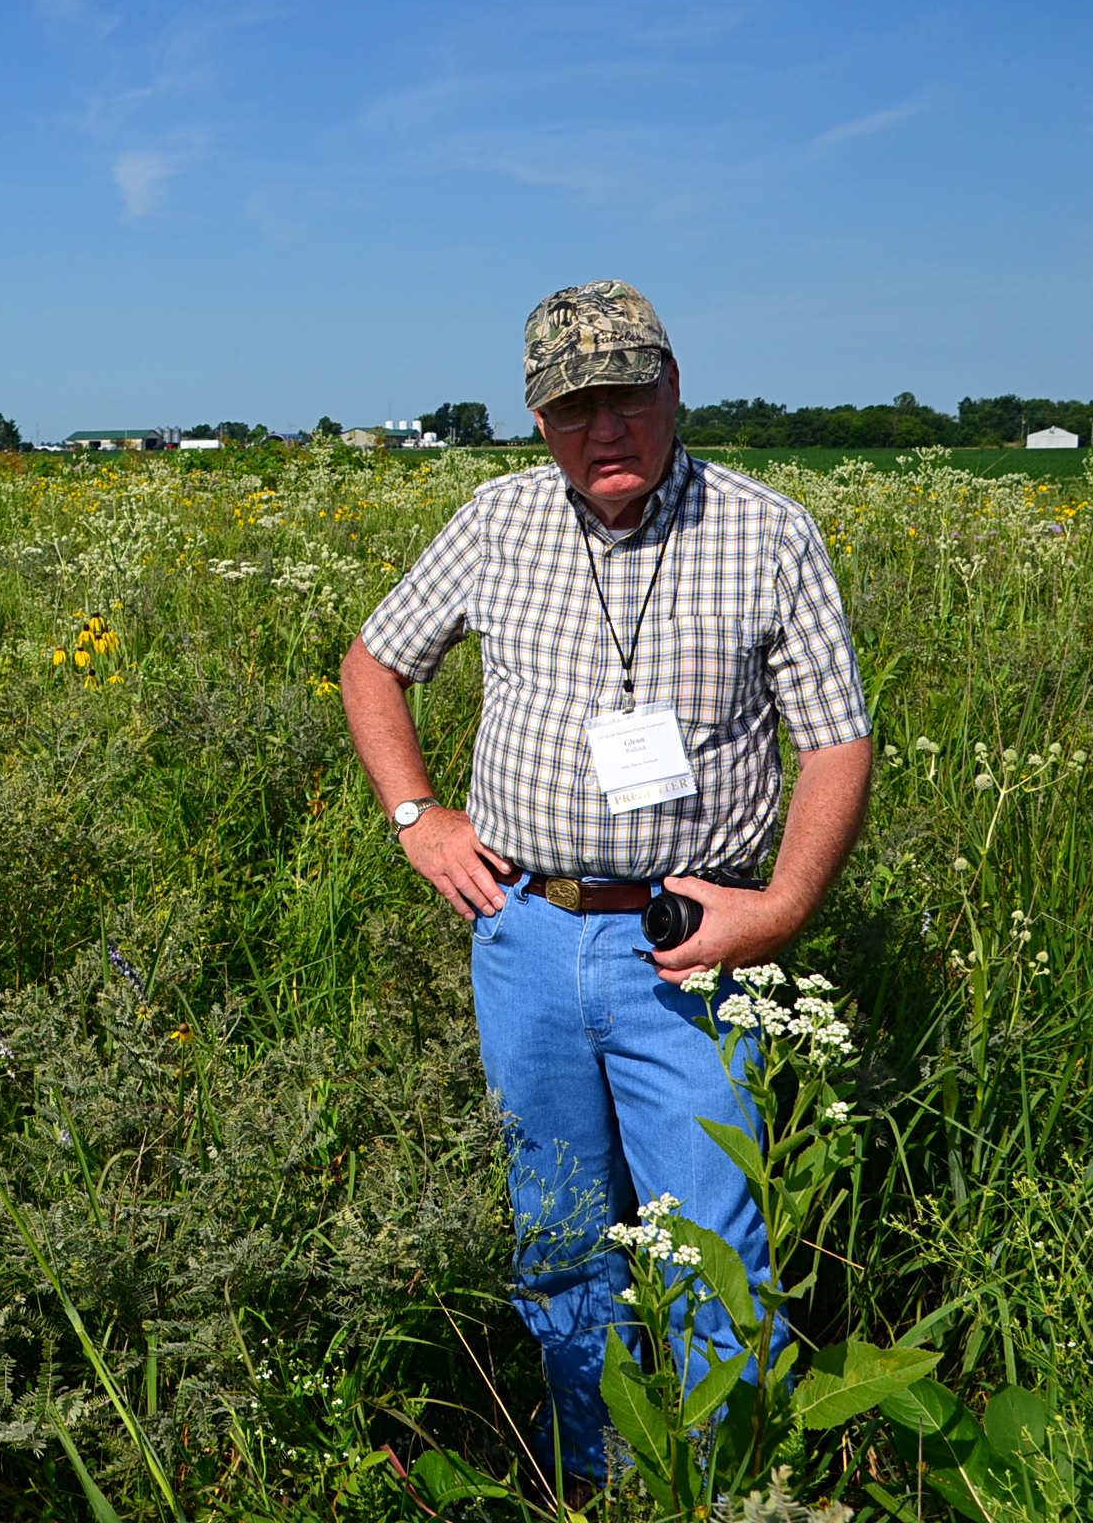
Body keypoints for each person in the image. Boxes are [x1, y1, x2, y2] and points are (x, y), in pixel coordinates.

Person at [338, 280, 873, 1486]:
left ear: (674, 388)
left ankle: (738, 1493)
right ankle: (598, 1485)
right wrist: (419, 819)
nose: (605, 429)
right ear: (538, 421)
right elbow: (372, 664)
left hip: (690, 943)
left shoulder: (766, 531)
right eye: (574, 408)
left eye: (628, 395)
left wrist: (780, 909)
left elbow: (836, 740)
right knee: (564, 1234)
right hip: (521, 931)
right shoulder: (495, 522)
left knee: (711, 1248)